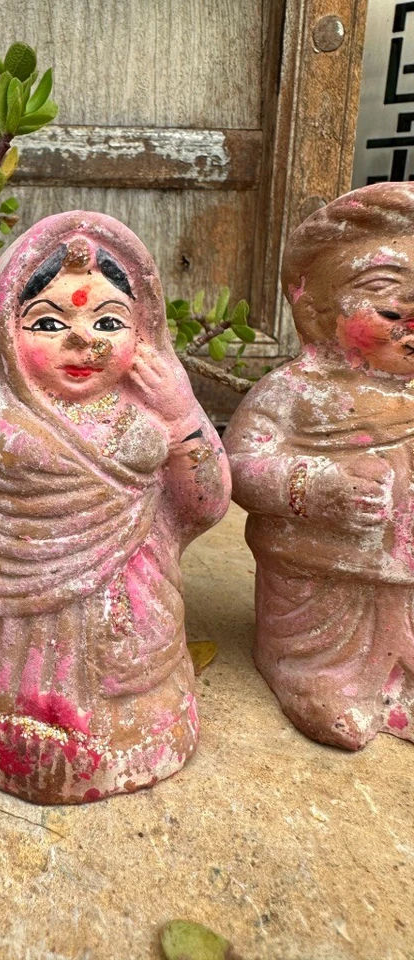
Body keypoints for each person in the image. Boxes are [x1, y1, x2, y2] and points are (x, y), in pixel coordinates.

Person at [0, 211, 230, 803]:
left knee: (135, 707)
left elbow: (206, 507)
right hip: (6, 651)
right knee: (19, 714)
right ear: (5, 331)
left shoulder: (156, 412)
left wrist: (184, 419)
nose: (84, 341)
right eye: (49, 322)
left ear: (146, 331)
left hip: (133, 637)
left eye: (109, 320)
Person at [224, 182, 414, 750]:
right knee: (327, 647)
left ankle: (398, 685)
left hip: (402, 567)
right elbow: (237, 464)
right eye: (391, 310)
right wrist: (317, 485)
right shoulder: (294, 391)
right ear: (313, 310)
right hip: (318, 578)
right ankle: (313, 680)